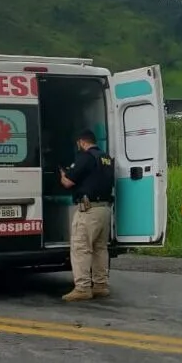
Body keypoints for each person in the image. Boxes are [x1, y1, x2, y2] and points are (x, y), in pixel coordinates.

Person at [59, 129, 115, 302]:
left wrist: (63, 174)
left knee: (81, 248)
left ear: (81, 142)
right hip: (104, 209)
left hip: (88, 210)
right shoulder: (105, 157)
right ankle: (100, 285)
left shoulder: (86, 157)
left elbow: (68, 182)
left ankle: (82, 288)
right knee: (100, 248)